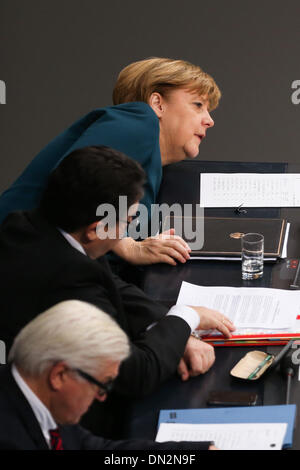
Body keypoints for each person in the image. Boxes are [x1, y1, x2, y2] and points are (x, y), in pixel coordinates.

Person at [0, 145, 235, 437]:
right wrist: (185, 318)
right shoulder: (68, 278)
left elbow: (109, 283)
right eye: (127, 222)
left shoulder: (27, 226)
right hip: (78, 424)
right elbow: (137, 372)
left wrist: (169, 328)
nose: (128, 231)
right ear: (95, 229)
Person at [0, 57, 221, 268]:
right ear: (157, 104)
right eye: (198, 104)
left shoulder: (149, 162)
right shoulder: (140, 120)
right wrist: (129, 246)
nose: (209, 121)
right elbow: (72, 181)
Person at [0, 299, 216, 450]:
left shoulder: (41, 402)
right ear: (59, 375)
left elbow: (93, 448)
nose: (102, 397)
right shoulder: (10, 437)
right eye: (101, 385)